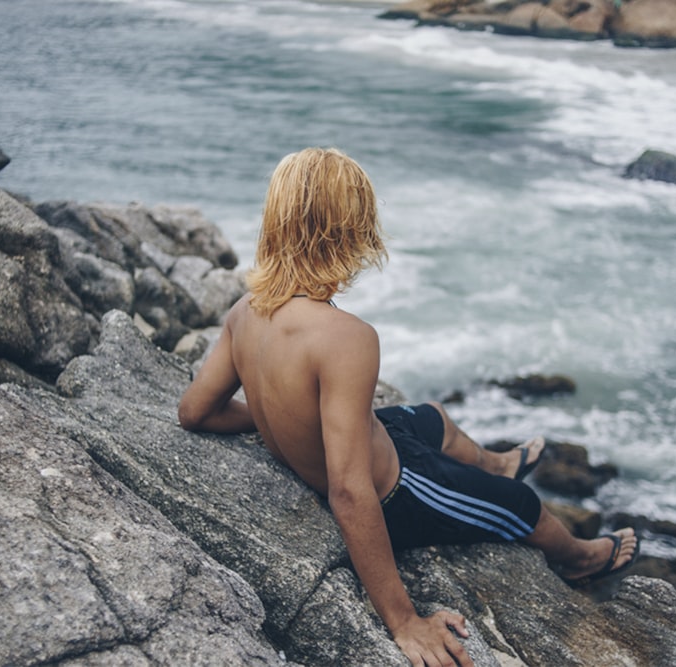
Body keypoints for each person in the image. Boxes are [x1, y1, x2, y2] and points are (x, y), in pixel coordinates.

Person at [179, 147, 639, 667]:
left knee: (432, 419)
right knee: (519, 506)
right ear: (348, 234)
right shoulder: (347, 338)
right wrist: (403, 621)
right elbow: (351, 493)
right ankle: (578, 558)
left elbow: (195, 411)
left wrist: (279, 422)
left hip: (366, 439)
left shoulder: (245, 312)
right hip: (398, 491)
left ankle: (497, 459)